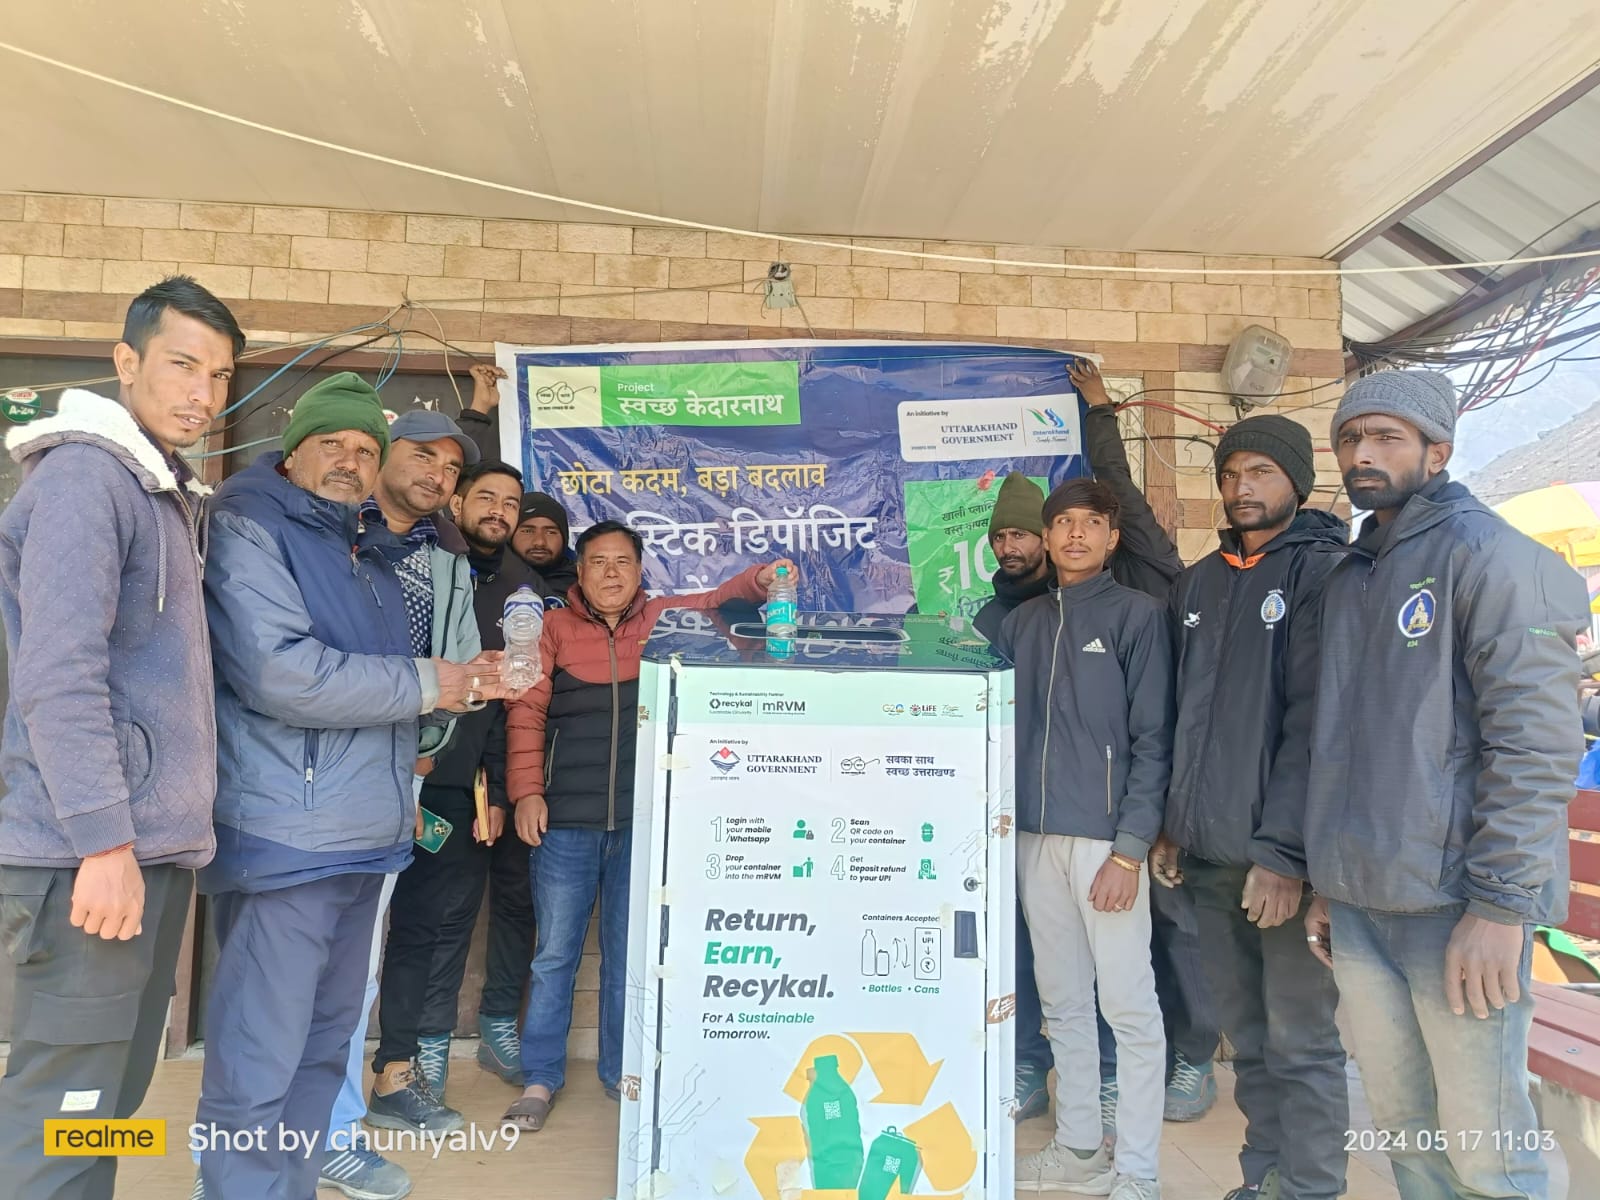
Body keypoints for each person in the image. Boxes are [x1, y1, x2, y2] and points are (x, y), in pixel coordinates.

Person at [192, 375, 515, 1197]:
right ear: (293, 448)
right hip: (289, 834)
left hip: (366, 832)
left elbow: (389, 684)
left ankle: (289, 1182)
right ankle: (233, 1185)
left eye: (363, 448)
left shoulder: (365, 548)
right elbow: (281, 674)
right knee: (261, 1051)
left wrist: (455, 689)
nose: (348, 460)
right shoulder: (252, 523)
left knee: (321, 1043)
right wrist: (428, 683)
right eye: (332, 443)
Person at [1303, 370, 1590, 1200]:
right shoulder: (1354, 572)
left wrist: (1500, 908)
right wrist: (1329, 880)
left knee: (1488, 1157)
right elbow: (1342, 742)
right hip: (1361, 904)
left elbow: (1534, 747)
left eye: (1386, 437)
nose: (1363, 452)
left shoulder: (1492, 557)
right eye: (1350, 438)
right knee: (1410, 1136)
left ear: (1438, 451)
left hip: (1458, 910)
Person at [0, 278, 242, 1200]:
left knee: (106, 1104)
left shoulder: (159, 488)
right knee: (60, 1115)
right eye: (182, 364)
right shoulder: (84, 480)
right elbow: (58, 675)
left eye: (219, 375)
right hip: (88, 858)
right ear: (126, 361)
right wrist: (103, 843)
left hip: (145, 855)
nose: (202, 393)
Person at [500, 524, 793, 1131]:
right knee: (553, 956)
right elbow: (525, 712)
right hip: (564, 822)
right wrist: (526, 793)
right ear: (579, 572)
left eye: (622, 562)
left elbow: (718, 600)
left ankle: (621, 1072)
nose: (610, 573)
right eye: (598, 562)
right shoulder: (552, 629)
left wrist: (762, 580)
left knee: (629, 955)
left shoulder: (663, 620)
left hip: (643, 823)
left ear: (640, 572)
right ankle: (540, 1078)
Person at [1151, 415, 1350, 1200]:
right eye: (1231, 474)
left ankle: (1310, 1187)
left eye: (1261, 471)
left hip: (1282, 866)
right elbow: (1181, 716)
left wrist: (1284, 856)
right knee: (1254, 1042)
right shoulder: (1198, 583)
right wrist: (1175, 823)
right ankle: (1263, 1180)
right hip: (1208, 858)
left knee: (1301, 1041)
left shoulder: (1324, 574)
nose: (1242, 487)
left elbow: (1319, 726)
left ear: (1297, 481)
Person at [315, 406, 485, 1198]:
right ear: (380, 454)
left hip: (394, 774)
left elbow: (454, 669)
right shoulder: (325, 530)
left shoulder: (446, 559)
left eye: (451, 469)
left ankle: (334, 1132)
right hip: (304, 771)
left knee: (356, 963)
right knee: (283, 963)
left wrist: (421, 757)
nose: (439, 476)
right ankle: (251, 1148)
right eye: (424, 456)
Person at [998, 479, 1174, 1200]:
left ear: (1112, 537)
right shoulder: (1023, 623)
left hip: (1107, 846)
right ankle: (1077, 1149)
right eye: (1063, 522)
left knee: (1129, 1008)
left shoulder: (1138, 616)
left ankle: (1138, 1171)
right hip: (1034, 839)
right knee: (1063, 1003)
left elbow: (1155, 740)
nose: (1075, 534)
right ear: (1047, 537)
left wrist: (1130, 849)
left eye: (1090, 523)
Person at [371, 458, 547, 1125]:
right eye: (486, 497)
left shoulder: (523, 591)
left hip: (458, 790)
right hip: (382, 774)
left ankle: (417, 1060)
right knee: (350, 932)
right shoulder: (419, 564)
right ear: (457, 501)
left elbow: (512, 702)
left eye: (511, 503)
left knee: (434, 926)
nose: (498, 511)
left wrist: (495, 791)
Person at [1073, 357, 1220, 1128]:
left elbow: (1118, 484)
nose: (1083, 532)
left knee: (1176, 924)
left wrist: (1099, 410)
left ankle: (1194, 1054)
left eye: (1099, 523)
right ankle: (1135, 1060)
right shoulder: (1073, 594)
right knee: (1114, 937)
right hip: (1104, 792)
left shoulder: (1160, 573)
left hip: (1173, 781)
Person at [969, 472, 1055, 1122]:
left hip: (1075, 808)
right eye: (1000, 537)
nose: (1009, 547)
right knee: (1013, 943)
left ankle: (1103, 1076)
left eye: (1021, 534)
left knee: (1081, 951)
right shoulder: (983, 619)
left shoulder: (1076, 605)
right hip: (1005, 805)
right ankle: (1026, 1062)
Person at [514, 492, 578, 606]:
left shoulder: (584, 585)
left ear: (564, 538)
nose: (540, 542)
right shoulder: (490, 579)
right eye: (528, 531)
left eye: (550, 532)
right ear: (510, 535)